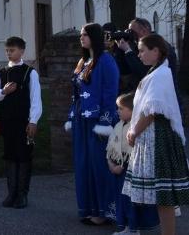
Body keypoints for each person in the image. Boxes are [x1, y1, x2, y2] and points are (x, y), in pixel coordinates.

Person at [123, 34, 189, 235]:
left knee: (163, 196)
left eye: (142, 50)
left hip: (158, 138)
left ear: (156, 51)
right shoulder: (156, 72)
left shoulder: (161, 74)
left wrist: (134, 131)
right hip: (152, 137)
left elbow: (153, 110)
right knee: (160, 196)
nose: (139, 54)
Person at [65, 22, 120, 225]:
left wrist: (105, 122)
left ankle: (104, 212)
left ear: (94, 37)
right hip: (81, 120)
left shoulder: (106, 61)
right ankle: (88, 209)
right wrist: (71, 116)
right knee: (84, 165)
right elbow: (76, 93)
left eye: (85, 34)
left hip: (98, 122)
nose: (81, 37)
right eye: (81, 34)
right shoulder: (83, 61)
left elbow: (110, 93)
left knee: (99, 165)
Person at [0, 36, 42, 209]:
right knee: (10, 156)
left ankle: (22, 194)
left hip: (24, 122)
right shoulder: (1, 73)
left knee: (24, 156)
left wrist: (33, 121)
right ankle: (11, 193)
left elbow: (36, 99)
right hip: (7, 121)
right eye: (7, 50)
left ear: (22, 51)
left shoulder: (29, 72)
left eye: (12, 50)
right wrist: (3, 92)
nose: (9, 53)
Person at [108, 92, 159, 235]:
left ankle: (133, 228)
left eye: (121, 108)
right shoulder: (118, 126)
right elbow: (110, 147)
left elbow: (135, 150)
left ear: (132, 110)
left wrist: (122, 166)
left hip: (129, 170)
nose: (117, 111)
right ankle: (125, 227)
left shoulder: (135, 129)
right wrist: (111, 164)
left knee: (131, 201)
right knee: (121, 200)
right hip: (116, 170)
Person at [115, 18, 181, 110]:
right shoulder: (141, 46)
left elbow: (143, 72)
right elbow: (125, 70)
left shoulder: (159, 46)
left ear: (144, 31)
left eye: (132, 32)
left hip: (163, 100)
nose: (130, 34)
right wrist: (120, 50)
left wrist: (128, 51)